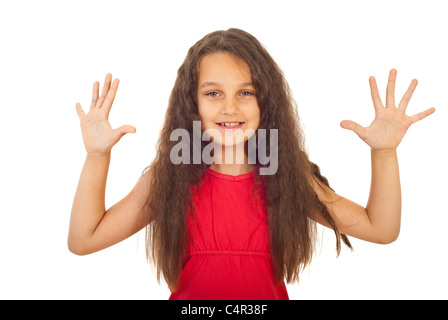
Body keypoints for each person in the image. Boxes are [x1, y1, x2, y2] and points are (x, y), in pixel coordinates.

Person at [68, 28, 435, 299]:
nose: (230, 108)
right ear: (192, 104)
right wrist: (97, 156)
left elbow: (381, 229)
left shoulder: (287, 180)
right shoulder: (167, 181)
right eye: (213, 93)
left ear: (266, 103)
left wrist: (384, 153)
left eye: (246, 92)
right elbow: (83, 240)